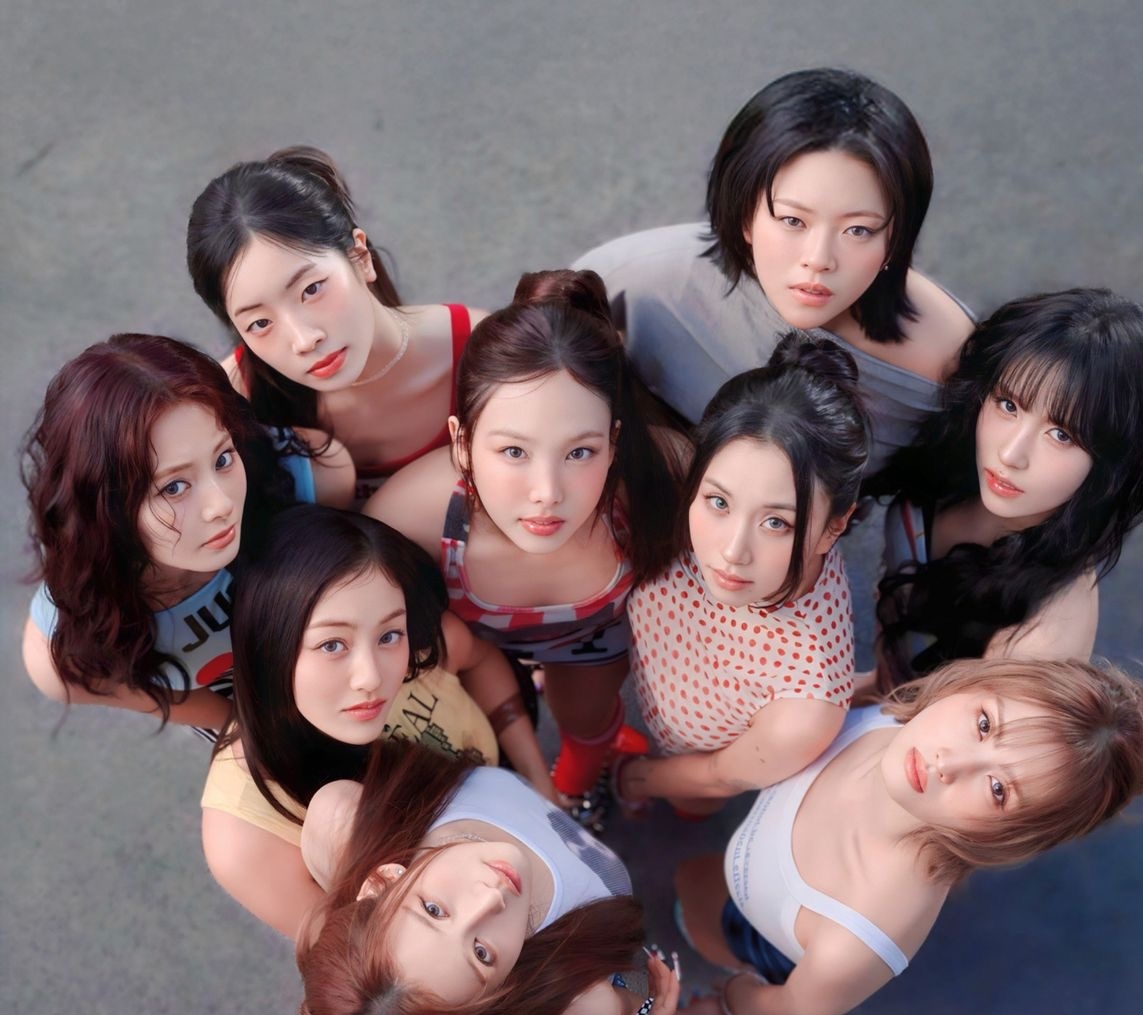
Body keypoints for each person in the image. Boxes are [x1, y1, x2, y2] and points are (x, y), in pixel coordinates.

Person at [665, 658, 1143, 1015]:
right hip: (743, 871)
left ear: (1010, 833)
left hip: (751, 934)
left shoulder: (855, 940)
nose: (948, 763)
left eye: (998, 789)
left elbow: (797, 1010)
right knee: (695, 876)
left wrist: (736, 1002)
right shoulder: (876, 713)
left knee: (693, 903)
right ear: (976, 683)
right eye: (984, 724)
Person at [365, 269, 681, 808]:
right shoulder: (406, 518)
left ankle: (580, 789)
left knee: (585, 724)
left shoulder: (663, 476)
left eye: (580, 452)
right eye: (514, 451)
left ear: (614, 441)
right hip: (466, 646)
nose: (547, 493)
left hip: (591, 642)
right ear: (461, 444)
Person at [574, 67, 974, 471]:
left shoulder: (951, 354)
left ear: (896, 239)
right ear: (744, 214)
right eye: (792, 221)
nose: (819, 259)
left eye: (858, 230)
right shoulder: (633, 280)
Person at [201, 506, 558, 938]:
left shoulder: (417, 647)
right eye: (332, 645)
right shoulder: (244, 837)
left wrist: (539, 782)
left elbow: (480, 660)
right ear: (267, 646)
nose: (371, 677)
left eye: (389, 635)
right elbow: (358, 954)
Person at [295, 738, 725, 1015]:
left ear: (383, 879)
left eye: (434, 910)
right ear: (501, 989)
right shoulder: (581, 1006)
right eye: (481, 954)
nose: (492, 897)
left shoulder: (357, 818)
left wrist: (543, 779)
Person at [21, 334, 354, 730]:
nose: (221, 506)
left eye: (223, 459)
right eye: (174, 487)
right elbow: (232, 727)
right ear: (104, 506)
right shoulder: (74, 640)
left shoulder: (311, 478)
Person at [861, 288, 1143, 694]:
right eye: (1009, 405)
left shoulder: (1046, 630)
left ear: (1110, 466)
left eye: (1061, 435)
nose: (1011, 454)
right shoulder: (952, 466)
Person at [619, 335, 868, 817]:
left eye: (776, 523)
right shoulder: (675, 474)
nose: (732, 552)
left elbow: (718, 774)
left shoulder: (805, 710)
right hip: (637, 665)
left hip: (688, 756)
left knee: (689, 810)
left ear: (834, 527)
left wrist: (634, 780)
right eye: (718, 502)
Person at [187, 146, 486, 498]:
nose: (304, 340)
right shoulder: (222, 401)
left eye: (311, 289)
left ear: (360, 256)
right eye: (260, 323)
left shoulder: (484, 355)